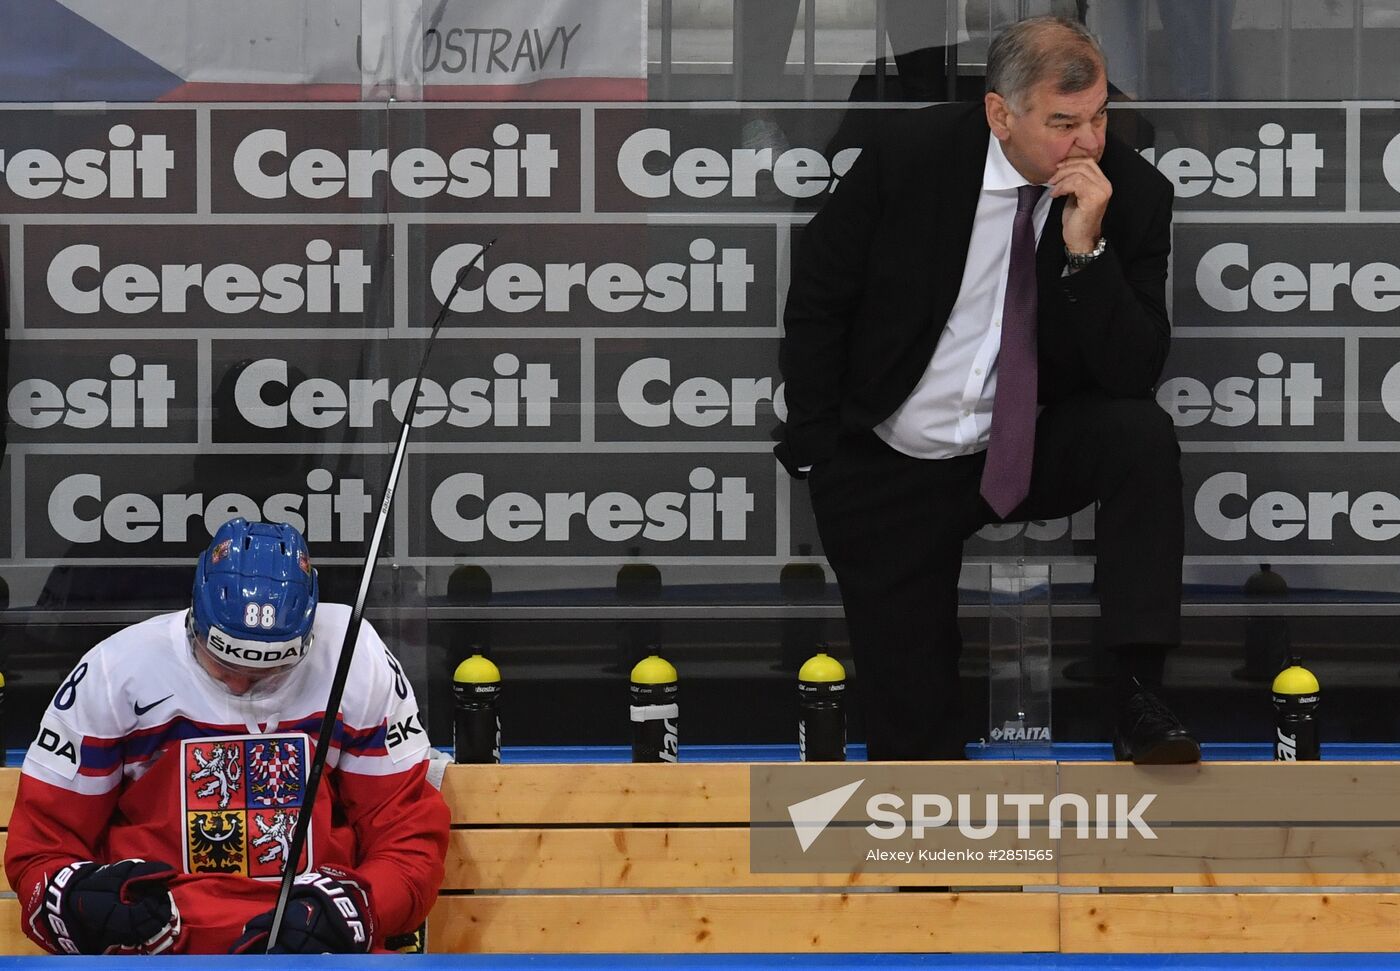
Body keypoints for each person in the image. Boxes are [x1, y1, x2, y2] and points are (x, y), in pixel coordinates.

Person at [776, 16, 1198, 764]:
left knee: (1138, 435)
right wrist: (821, 446)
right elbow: (818, 295)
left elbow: (1134, 371)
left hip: (1021, 443)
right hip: (893, 457)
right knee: (915, 734)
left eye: (1098, 117)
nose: (1089, 143)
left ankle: (1138, 692)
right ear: (1001, 114)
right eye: (1063, 123)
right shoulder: (912, 158)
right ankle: (943, 865)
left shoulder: (1130, 193)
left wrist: (1085, 251)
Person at [4, 518, 450, 954]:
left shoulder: (356, 657)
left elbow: (405, 832)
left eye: (270, 669)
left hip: (312, 949)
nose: (241, 686)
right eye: (226, 664)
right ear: (195, 619)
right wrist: (83, 903)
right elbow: (44, 847)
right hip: (158, 949)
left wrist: (363, 906)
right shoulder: (113, 672)